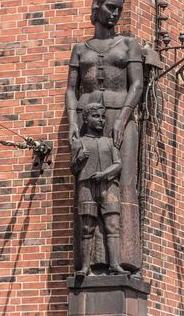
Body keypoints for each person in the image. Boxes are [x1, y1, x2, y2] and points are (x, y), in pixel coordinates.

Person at [66, 0, 143, 275]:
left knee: (120, 182)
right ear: (97, 8)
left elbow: (136, 85)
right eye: (111, 7)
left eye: (119, 9)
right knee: (87, 186)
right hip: (87, 119)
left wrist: (122, 119)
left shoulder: (128, 45)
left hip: (119, 115)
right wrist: (73, 124)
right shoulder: (80, 49)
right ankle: (89, 263)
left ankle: (122, 260)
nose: (115, 14)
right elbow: (71, 90)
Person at [71, 103, 129, 276]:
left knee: (112, 225)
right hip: (86, 187)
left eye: (103, 117)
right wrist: (79, 159)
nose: (101, 121)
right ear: (86, 118)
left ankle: (114, 264)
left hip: (108, 186)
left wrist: (104, 174)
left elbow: (118, 164)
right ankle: (85, 267)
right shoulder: (79, 142)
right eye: (96, 116)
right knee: (87, 227)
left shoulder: (109, 142)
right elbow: (73, 169)